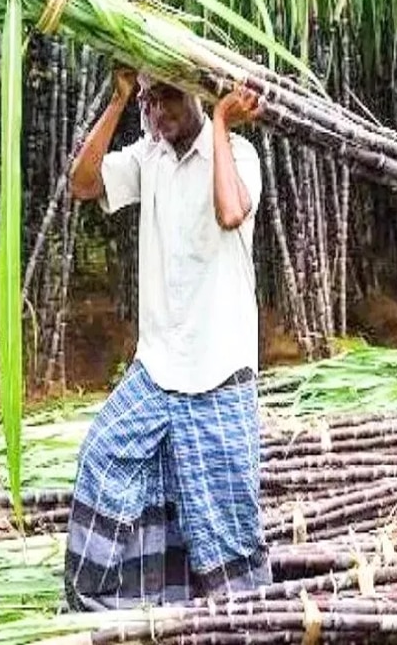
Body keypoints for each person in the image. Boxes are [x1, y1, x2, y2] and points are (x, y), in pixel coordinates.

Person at [63, 67, 270, 609]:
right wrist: (118, 100)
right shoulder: (148, 155)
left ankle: (241, 620)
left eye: (170, 97)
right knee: (102, 457)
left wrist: (222, 121)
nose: (159, 113)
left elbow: (231, 211)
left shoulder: (238, 155)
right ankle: (113, 612)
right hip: (157, 370)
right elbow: (82, 185)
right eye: (151, 102)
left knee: (224, 524)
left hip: (218, 372)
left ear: (198, 94)